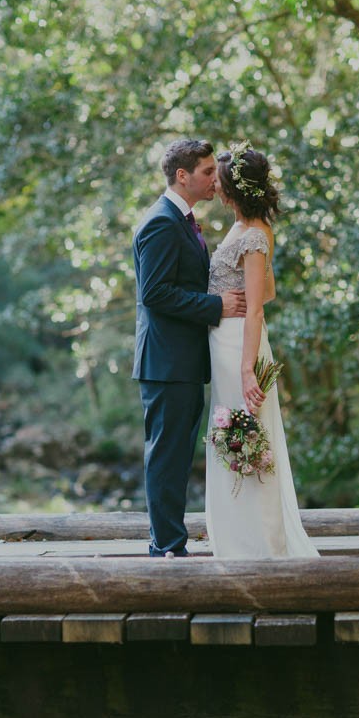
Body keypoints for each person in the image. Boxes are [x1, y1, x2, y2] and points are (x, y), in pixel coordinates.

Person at [133, 138, 246, 557]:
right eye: (206, 172)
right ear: (183, 176)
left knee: (177, 457)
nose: (214, 179)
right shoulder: (161, 222)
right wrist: (216, 305)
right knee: (167, 457)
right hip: (166, 363)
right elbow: (155, 294)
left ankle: (169, 542)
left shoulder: (182, 220)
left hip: (182, 361)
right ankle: (166, 547)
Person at [205, 141, 319, 559]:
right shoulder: (247, 230)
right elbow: (267, 290)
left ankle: (262, 548)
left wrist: (249, 370)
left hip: (241, 346)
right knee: (229, 437)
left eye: (218, 183)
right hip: (224, 342)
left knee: (247, 436)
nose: (214, 190)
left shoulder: (254, 234)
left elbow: (256, 309)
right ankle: (235, 541)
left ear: (233, 190)